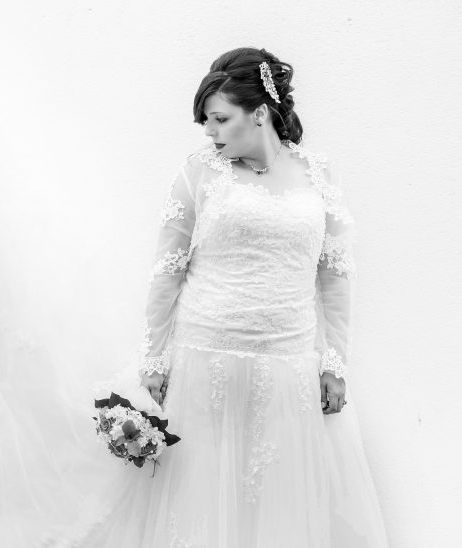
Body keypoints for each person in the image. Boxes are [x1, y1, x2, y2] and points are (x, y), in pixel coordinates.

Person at [65, 47, 390, 547]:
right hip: (204, 365)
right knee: (200, 508)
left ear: (259, 112)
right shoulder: (198, 172)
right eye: (207, 123)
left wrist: (334, 362)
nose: (211, 133)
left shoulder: (319, 175)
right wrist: (153, 360)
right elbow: (167, 272)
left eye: (220, 119)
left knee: (278, 509)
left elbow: (335, 274)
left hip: (289, 370)